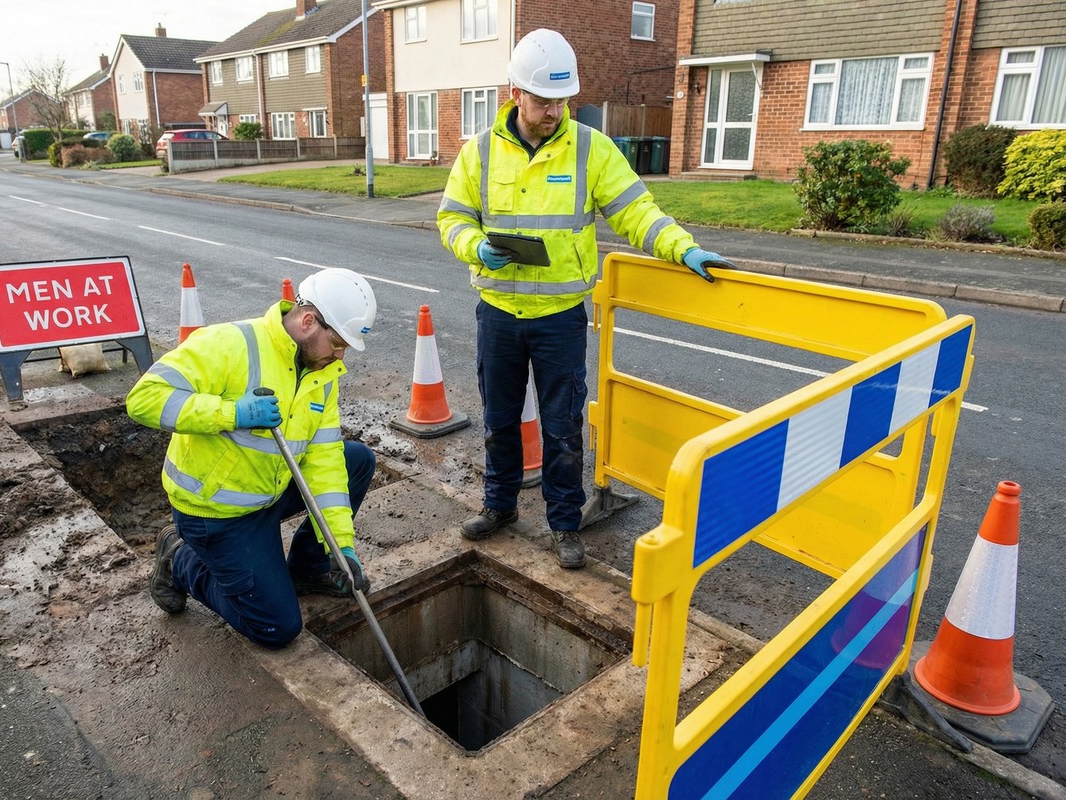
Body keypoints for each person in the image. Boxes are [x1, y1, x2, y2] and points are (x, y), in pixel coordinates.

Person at [437, 28, 735, 570]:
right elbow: (451, 218)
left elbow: (635, 212)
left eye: (561, 100)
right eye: (543, 100)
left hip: (560, 320)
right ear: (515, 93)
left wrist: (682, 248)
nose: (554, 111)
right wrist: (477, 247)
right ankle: (499, 506)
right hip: (498, 315)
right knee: (499, 418)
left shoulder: (593, 149)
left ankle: (564, 524)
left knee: (562, 426)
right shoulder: (478, 153)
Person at [126, 268, 378, 649]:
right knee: (276, 627)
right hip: (217, 512)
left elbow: (325, 460)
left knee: (354, 458)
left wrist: (340, 547)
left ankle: (310, 570)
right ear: (309, 321)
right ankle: (178, 558)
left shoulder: (321, 371)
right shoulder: (229, 344)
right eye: (338, 344)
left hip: (267, 489)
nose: (340, 356)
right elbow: (143, 399)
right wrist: (231, 413)